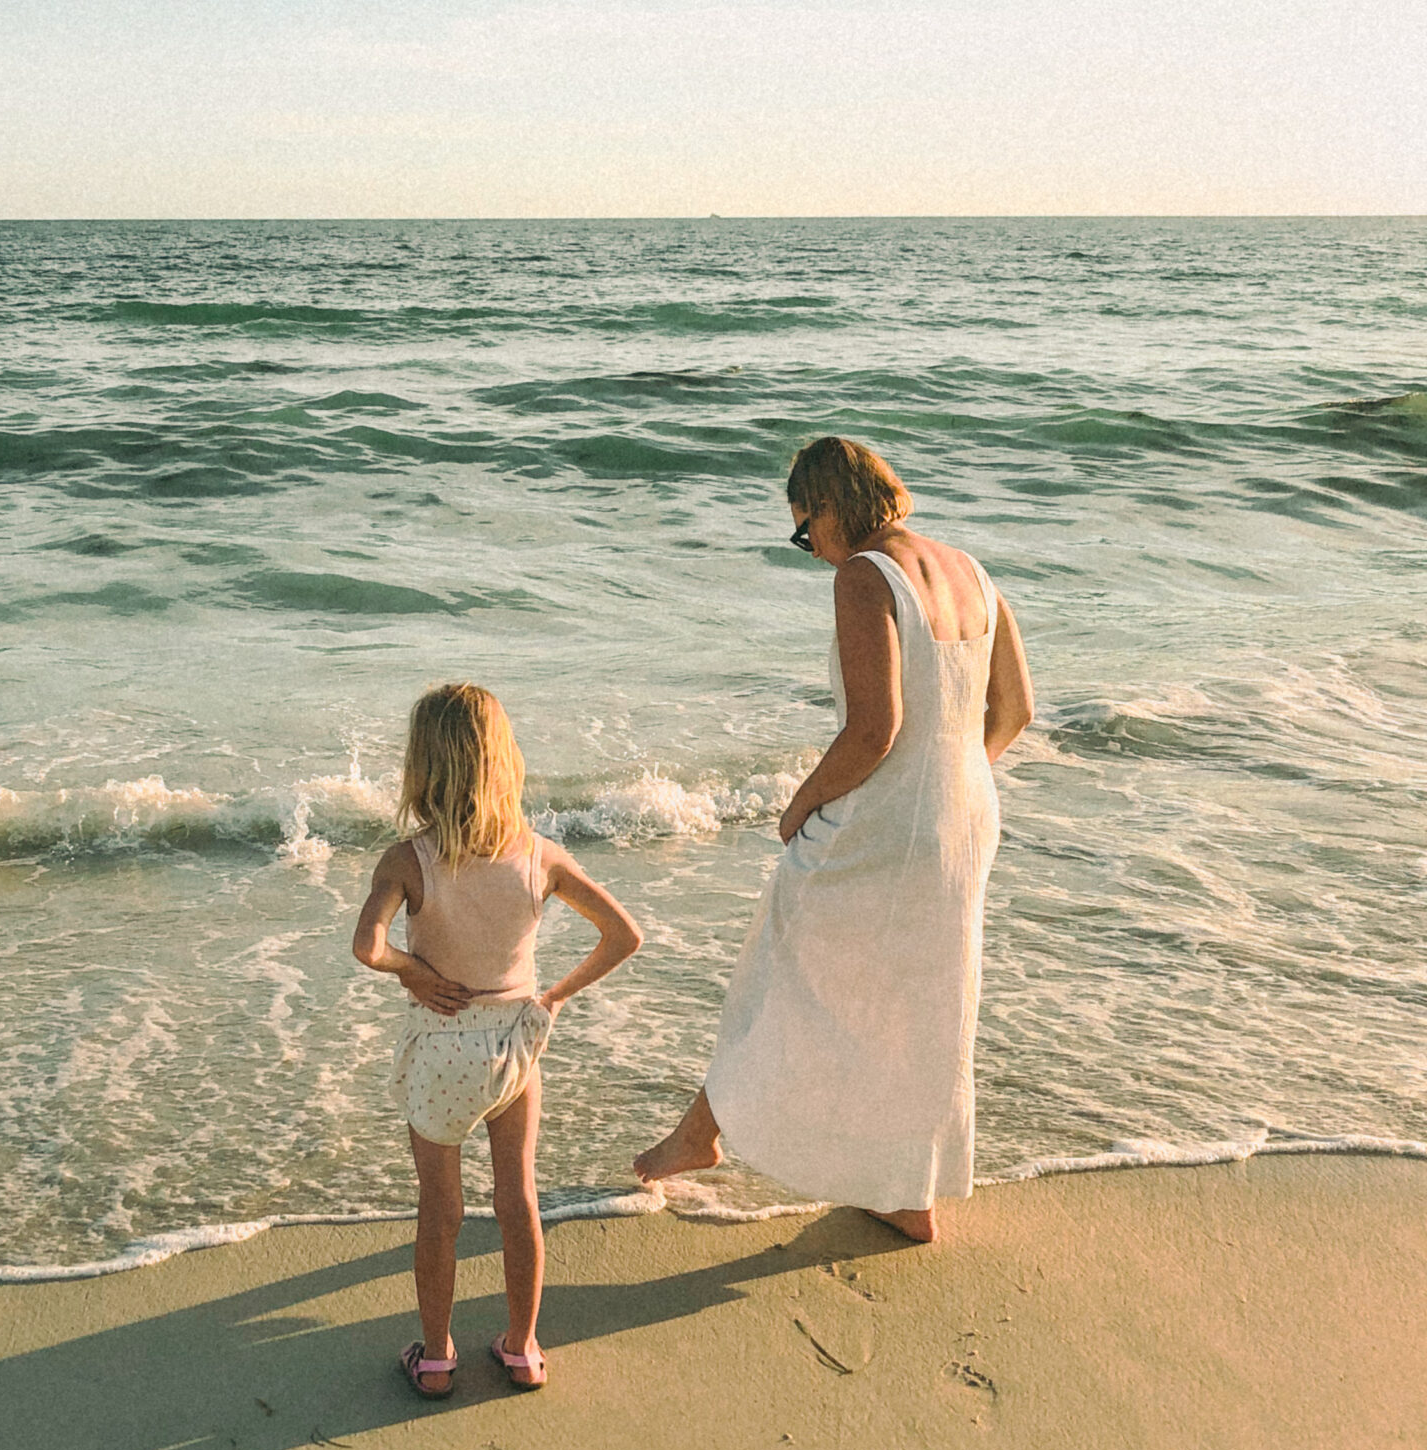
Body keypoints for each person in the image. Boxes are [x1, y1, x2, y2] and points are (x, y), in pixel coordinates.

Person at [634, 437, 1033, 1242]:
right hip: (965, 816)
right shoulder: (973, 571)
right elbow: (1015, 710)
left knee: (779, 964)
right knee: (918, 1002)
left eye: (802, 528)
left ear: (830, 503)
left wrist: (798, 806)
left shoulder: (865, 576)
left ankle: (701, 1136)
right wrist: (947, 783)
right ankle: (904, 1191)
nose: (808, 549)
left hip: (885, 822)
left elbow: (873, 730)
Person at [353, 683, 641, 1395]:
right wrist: (554, 996)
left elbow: (368, 946)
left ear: (422, 767)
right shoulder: (539, 855)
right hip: (515, 1039)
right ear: (502, 762)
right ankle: (521, 1347)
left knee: (441, 1210)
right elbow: (624, 935)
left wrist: (411, 970)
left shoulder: (407, 860)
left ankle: (438, 1357)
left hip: (442, 1045)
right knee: (517, 1196)